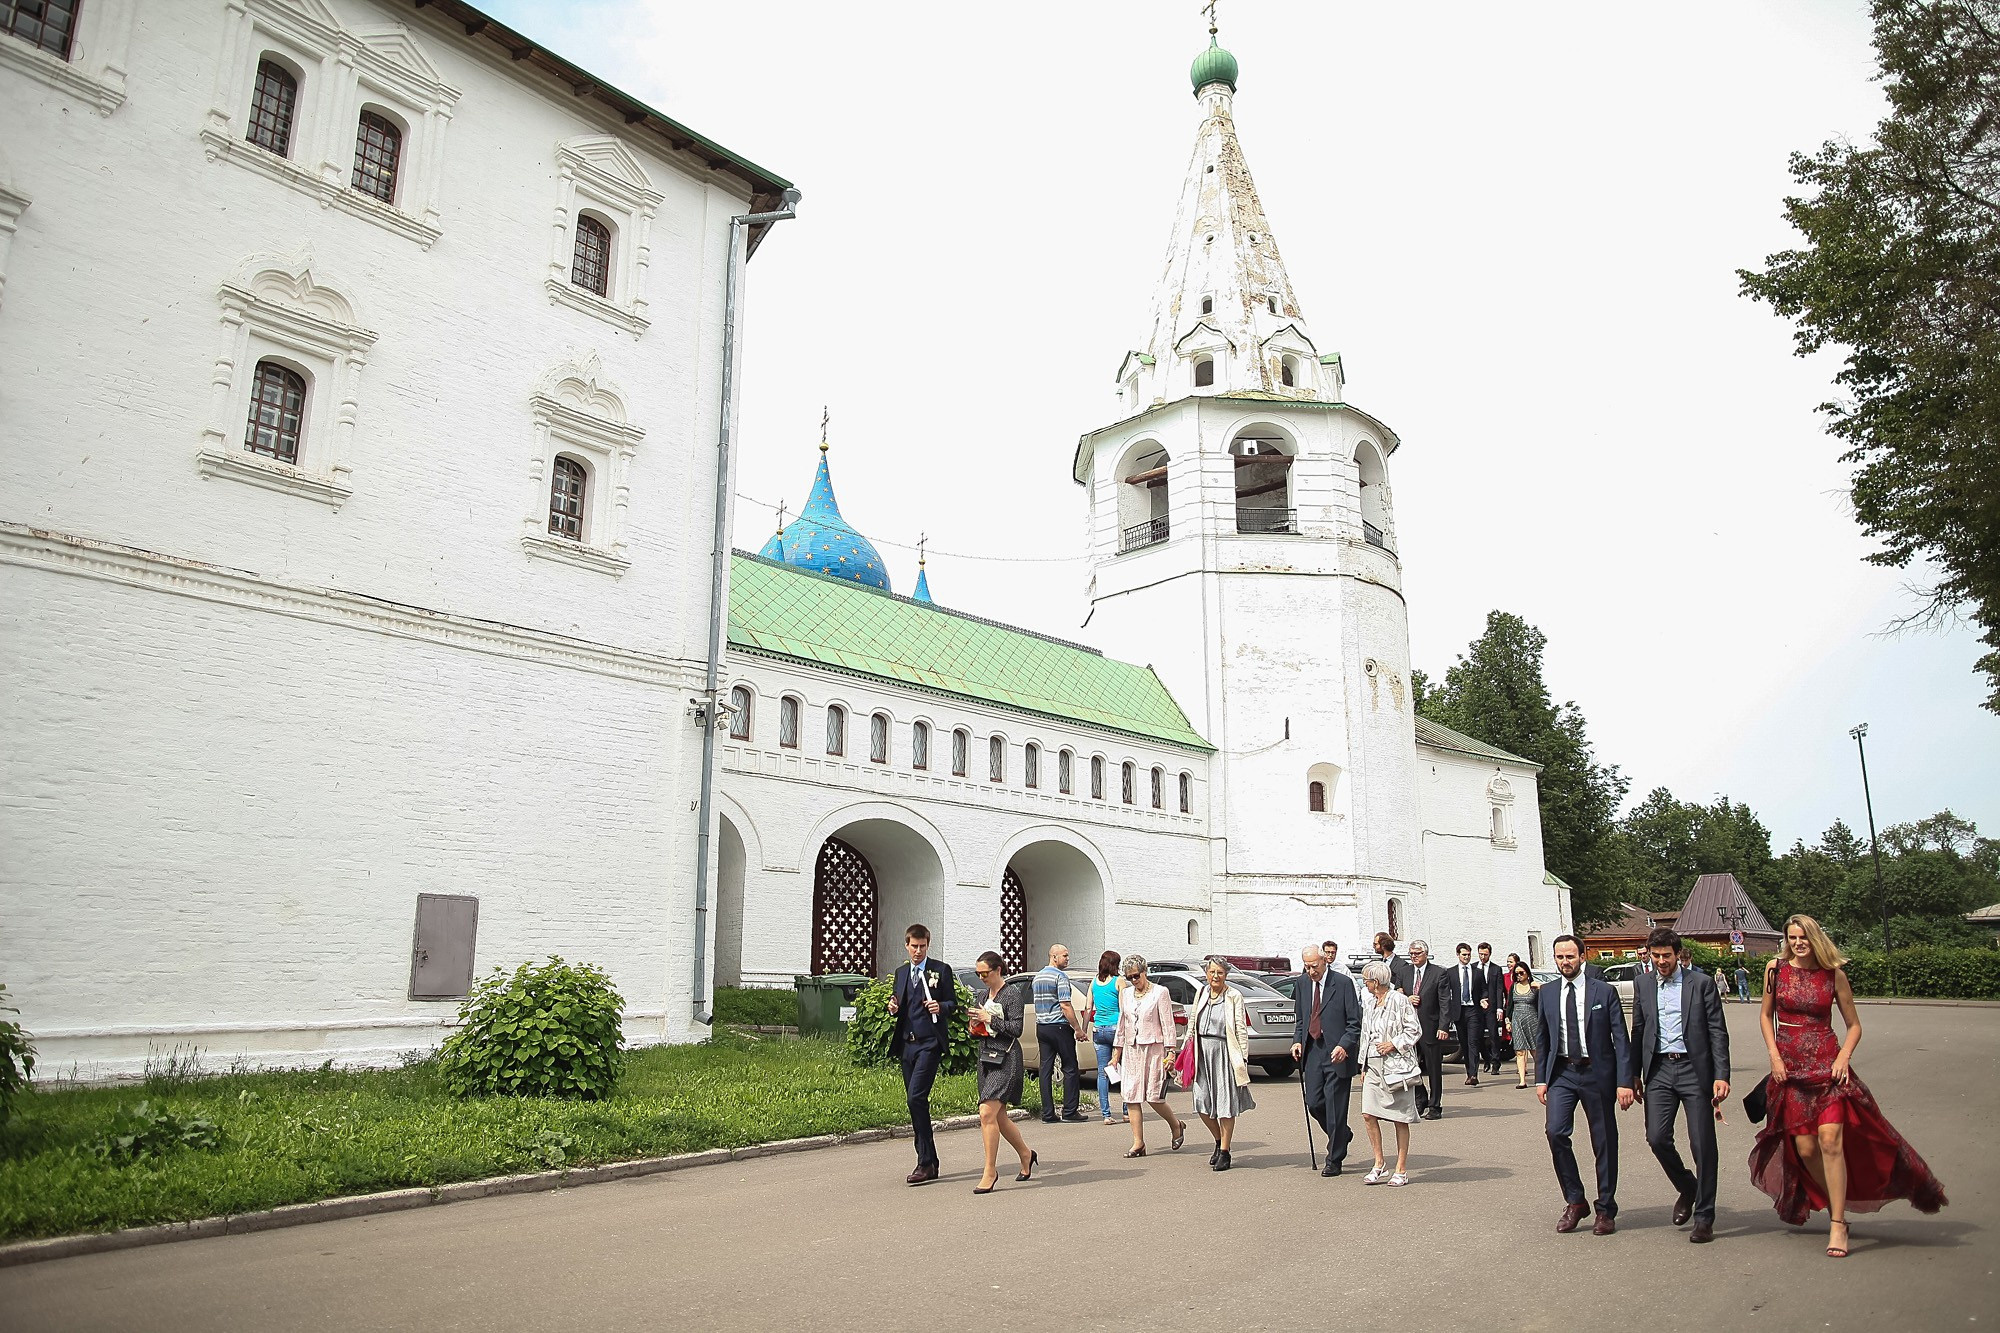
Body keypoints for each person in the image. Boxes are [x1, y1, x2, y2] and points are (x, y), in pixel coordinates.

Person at [1748, 914, 1947, 1256]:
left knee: (1830, 1141)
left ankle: (1838, 1224)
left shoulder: (1833, 975)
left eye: (1804, 938)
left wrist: (1843, 1059)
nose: (1798, 943)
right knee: (1807, 1149)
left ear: (1815, 939)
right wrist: (1774, 1058)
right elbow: (1766, 1015)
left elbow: (1854, 1025)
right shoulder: (1774, 970)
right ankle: (1836, 1197)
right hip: (1791, 1071)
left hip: (1829, 1070)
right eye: (1793, 937)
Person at [1625, 926, 1731, 1243]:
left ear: (1678, 955)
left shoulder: (1701, 984)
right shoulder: (1643, 984)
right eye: (1655, 956)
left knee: (1702, 1144)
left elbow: (1717, 1032)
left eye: (1666, 956)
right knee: (1657, 1138)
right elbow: (1638, 1030)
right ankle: (1688, 1186)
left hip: (1693, 1070)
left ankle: (1704, 1217)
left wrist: (1721, 1075)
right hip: (1658, 1070)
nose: (1660, 961)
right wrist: (1633, 1074)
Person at [1535, 933, 1632, 1235]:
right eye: (1560, 957)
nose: (1565, 962)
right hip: (1562, 1073)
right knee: (1555, 1132)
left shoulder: (1603, 992)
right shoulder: (1548, 993)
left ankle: (1605, 1208)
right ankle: (1575, 1200)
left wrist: (1624, 1081)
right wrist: (1541, 1078)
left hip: (1597, 1074)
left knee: (1603, 1141)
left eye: (1570, 956)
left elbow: (1621, 1039)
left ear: (1582, 957)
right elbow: (1543, 1038)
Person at [886, 923, 955, 1185]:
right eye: (913, 946)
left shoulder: (940, 970)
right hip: (907, 1044)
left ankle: (925, 1162)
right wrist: (892, 1007)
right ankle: (929, 1161)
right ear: (906, 945)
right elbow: (897, 1001)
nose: (918, 951)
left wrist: (941, 1006)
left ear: (928, 945)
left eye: (922, 946)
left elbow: (952, 1003)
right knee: (915, 1102)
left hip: (929, 1043)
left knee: (916, 1097)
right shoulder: (901, 972)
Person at [967, 950, 1037, 1194]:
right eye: (978, 974)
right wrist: (975, 1023)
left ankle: (990, 1171)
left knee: (986, 1111)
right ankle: (1026, 1154)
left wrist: (990, 1019)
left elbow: (1017, 1029)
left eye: (984, 973)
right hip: (986, 1057)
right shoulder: (984, 994)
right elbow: (982, 1027)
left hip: (1006, 1058)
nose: (981, 978)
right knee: (998, 1116)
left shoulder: (1012, 995)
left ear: (997, 970)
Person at [1290, 944, 1359, 1176]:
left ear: (1324, 961)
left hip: (1337, 1052)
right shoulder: (1301, 984)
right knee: (1315, 1102)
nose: (1311, 971)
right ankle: (1341, 1134)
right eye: (1307, 967)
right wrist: (1297, 1041)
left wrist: (1344, 1045)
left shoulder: (1342, 983)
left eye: (1314, 966)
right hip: (1313, 1051)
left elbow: (1354, 1023)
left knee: (1335, 1106)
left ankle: (1334, 1158)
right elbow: (1301, 1019)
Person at [1111, 954, 1186, 1157]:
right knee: (1131, 1096)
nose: (1134, 980)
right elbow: (1122, 1024)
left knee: (1154, 1097)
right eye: (1129, 977)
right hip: (1132, 1049)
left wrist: (1171, 1052)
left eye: (1136, 976)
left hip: (1154, 1049)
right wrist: (1116, 1053)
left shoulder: (1160, 992)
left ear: (1145, 972)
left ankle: (1176, 1125)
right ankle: (1138, 1143)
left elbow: (1168, 1024)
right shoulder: (1125, 994)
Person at [1357, 959, 1420, 1185]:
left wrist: (1393, 1043)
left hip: (1397, 1069)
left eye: (1366, 980)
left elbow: (1414, 1030)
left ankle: (1401, 1169)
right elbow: (1366, 1035)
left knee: (1400, 1119)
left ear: (1376, 981)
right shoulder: (1371, 1003)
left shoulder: (1400, 1000)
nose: (1364, 984)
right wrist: (1363, 1065)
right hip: (1373, 1066)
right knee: (1367, 1114)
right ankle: (1379, 1163)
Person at [1190, 960, 1256, 1170]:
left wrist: (1243, 1059)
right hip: (1202, 1052)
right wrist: (1185, 1051)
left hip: (1225, 1052)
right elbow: (1193, 1023)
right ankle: (1219, 1141)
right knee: (1201, 1101)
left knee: (1225, 1104)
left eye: (1219, 972)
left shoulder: (1234, 996)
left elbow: (1240, 1029)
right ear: (1206, 974)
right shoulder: (1201, 993)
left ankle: (1225, 1152)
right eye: (1211, 972)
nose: (1215, 976)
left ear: (1226, 974)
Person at [1033, 943, 1087, 1123]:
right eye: (1065, 955)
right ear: (1054, 957)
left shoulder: (1037, 977)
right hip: (1059, 1026)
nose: (1067, 959)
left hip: (1041, 1026)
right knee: (1070, 1068)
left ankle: (1048, 1113)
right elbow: (1065, 1005)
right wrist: (1078, 1029)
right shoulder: (1060, 977)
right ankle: (1070, 1111)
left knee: (1045, 1069)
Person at [1400, 940, 1449, 1118]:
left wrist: (1444, 1026)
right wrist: (1407, 998)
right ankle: (1420, 1099)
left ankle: (1435, 1105)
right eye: (1411, 953)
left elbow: (1444, 1001)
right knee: (1410, 1066)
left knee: (1433, 1067)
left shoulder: (1438, 973)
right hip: (1408, 1028)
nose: (1413, 956)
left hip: (1430, 1026)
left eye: (1417, 953)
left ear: (1425, 954)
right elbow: (1398, 993)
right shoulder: (1405, 971)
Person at [1443, 942, 1486, 1086]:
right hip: (1459, 1011)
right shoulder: (1451, 972)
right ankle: (1469, 1071)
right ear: (1458, 955)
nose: (1466, 957)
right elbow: (1445, 992)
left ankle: (1473, 1074)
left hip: (1473, 1010)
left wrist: (1483, 999)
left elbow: (1484, 990)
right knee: (1464, 1043)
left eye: (1468, 955)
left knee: (1473, 1042)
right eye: (1464, 955)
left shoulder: (1478, 972)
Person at [1089, 950, 1124, 1124]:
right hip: (1116, 1028)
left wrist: (1081, 1029)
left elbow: (1089, 1007)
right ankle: (1126, 1111)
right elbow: (1124, 1008)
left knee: (1103, 1072)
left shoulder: (1094, 981)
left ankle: (1106, 1114)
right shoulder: (1119, 981)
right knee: (1123, 1069)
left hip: (1098, 1029)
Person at [1507, 959, 1542, 1089]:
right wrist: (1507, 1021)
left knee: (1535, 1051)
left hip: (1533, 1020)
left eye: (1521, 973)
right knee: (1520, 1051)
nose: (1519, 976)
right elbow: (1509, 1005)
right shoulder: (1513, 987)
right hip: (1517, 1020)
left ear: (1527, 972)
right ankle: (1522, 1080)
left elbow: (1542, 1004)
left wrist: (1540, 987)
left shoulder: (1534, 987)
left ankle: (1540, 1078)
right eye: (1516, 974)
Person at [1477, 943, 1507, 1074]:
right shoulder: (1473, 968)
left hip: (1492, 1007)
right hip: (1477, 1007)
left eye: (1485, 954)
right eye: (1481, 954)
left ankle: (1495, 1062)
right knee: (1477, 1035)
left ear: (1490, 954)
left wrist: (1500, 1008)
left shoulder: (1496, 969)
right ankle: (1486, 1058)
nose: (1483, 957)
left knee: (1493, 1035)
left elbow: (1499, 989)